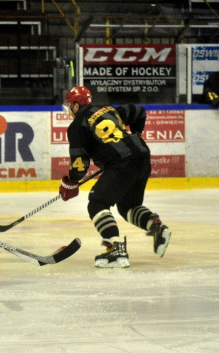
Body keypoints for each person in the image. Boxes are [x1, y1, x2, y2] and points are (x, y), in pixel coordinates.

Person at [59, 86, 172, 268]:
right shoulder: (109, 110)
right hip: (142, 157)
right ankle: (155, 226)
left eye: (69, 105)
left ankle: (115, 247)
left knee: (97, 203)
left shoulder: (77, 125)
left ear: (76, 105)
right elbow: (138, 111)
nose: (69, 110)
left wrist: (70, 183)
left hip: (122, 164)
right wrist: (136, 134)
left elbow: (80, 164)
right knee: (128, 206)